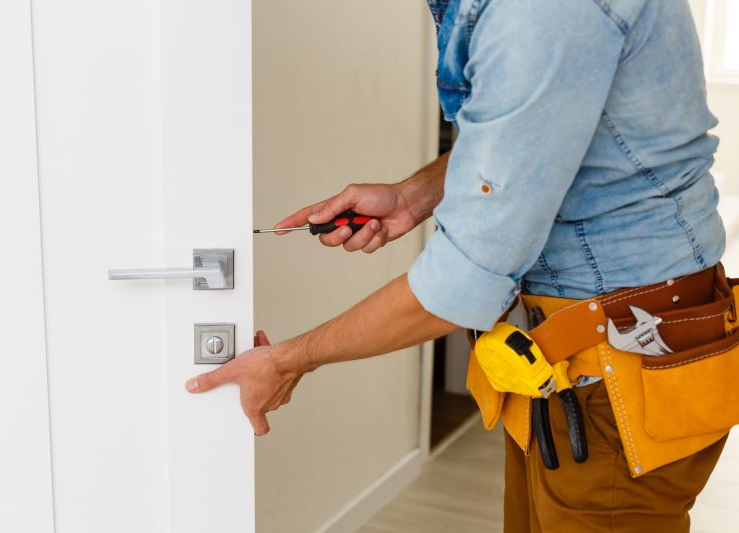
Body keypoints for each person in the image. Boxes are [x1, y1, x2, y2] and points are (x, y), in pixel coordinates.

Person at [186, 0, 737, 530]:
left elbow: (462, 285)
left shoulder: (541, 11)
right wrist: (413, 195)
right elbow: (531, 134)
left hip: (622, 368)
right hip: (563, 362)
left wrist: (287, 360)